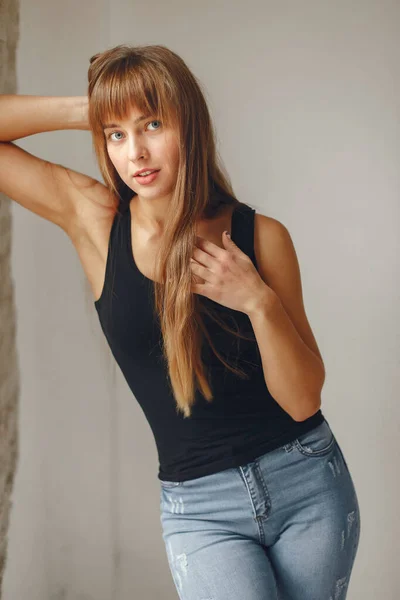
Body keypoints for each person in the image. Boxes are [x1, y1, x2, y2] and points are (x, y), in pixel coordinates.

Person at [0, 44, 360, 600]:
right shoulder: (97, 224)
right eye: (117, 135)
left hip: (307, 484)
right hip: (202, 509)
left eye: (153, 123)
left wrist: (257, 301)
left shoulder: (262, 239)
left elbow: (302, 401)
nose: (135, 152)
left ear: (188, 124)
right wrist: (94, 107)